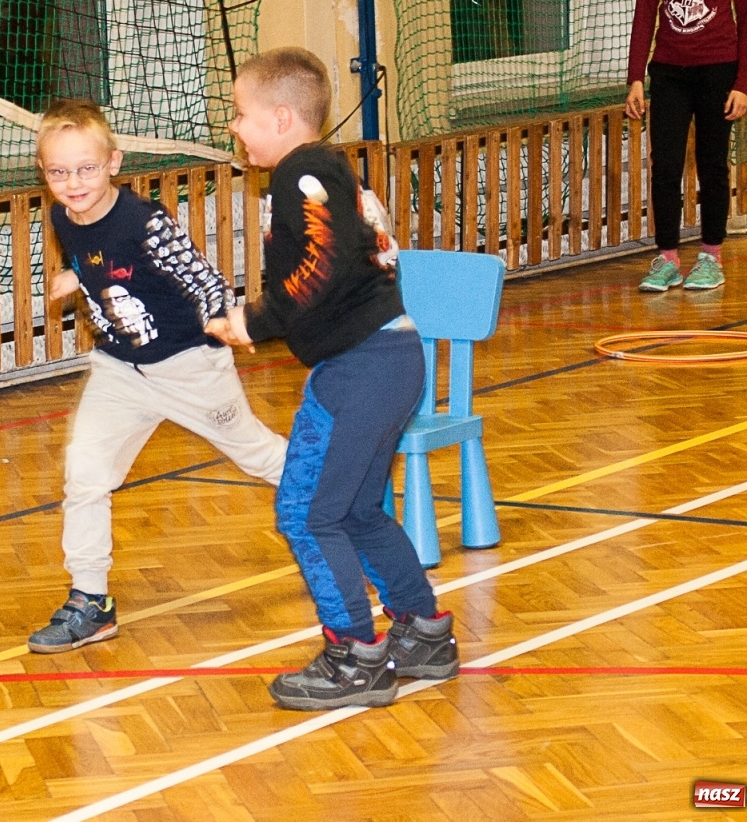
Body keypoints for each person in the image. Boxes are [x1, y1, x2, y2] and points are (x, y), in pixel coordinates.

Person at [210, 47, 457, 711]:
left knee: (310, 517)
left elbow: (320, 268)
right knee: (353, 510)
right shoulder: (328, 175)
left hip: (363, 367)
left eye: (242, 115)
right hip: (384, 359)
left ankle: (355, 656)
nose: (235, 128)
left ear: (284, 117)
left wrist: (256, 321)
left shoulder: (304, 175)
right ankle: (423, 634)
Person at [27, 98, 288, 654]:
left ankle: (350, 505)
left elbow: (205, 279)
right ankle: (91, 602)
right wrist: (76, 274)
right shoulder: (60, 218)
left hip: (189, 366)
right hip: (119, 368)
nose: (73, 183)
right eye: (58, 172)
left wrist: (227, 320)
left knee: (258, 455)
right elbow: (97, 258)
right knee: (86, 474)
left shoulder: (147, 223)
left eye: (86, 168)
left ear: (114, 162)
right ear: (44, 174)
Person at [625, 0, 747, 292]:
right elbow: (644, 17)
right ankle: (666, 258)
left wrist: (742, 84)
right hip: (669, 74)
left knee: (713, 165)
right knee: (665, 165)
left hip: (718, 71)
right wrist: (635, 78)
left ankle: (710, 256)